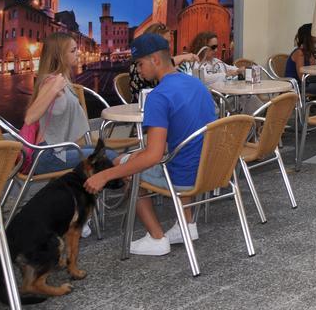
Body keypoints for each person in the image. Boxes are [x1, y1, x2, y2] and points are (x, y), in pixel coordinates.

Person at [84, 33, 217, 256]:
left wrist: (106, 175)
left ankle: (157, 238)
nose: (138, 69)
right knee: (138, 157)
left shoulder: (159, 96)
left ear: (155, 59)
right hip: (210, 170)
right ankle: (187, 224)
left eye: (140, 63)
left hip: (184, 177)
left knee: (129, 169)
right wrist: (139, 155)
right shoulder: (197, 85)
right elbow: (179, 138)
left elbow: (153, 156)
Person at [25, 33, 116, 177]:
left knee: (106, 152)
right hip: (47, 156)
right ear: (59, 55)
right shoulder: (52, 81)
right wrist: (55, 88)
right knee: (111, 156)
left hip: (58, 150)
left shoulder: (61, 79)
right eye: (72, 51)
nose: (77, 54)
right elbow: (30, 117)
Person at [129, 23, 196, 99]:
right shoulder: (138, 65)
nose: (169, 46)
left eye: (169, 42)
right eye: (165, 42)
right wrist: (181, 58)